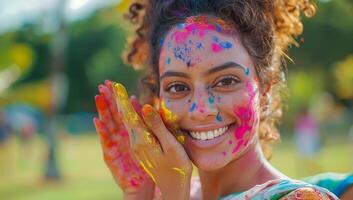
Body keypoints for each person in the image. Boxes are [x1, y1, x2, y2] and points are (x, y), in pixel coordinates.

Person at [93, 0, 339, 199]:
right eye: (178, 86)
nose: (201, 109)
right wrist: (139, 192)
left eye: (226, 81)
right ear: (158, 98)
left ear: (265, 87)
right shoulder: (169, 190)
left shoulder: (300, 198)